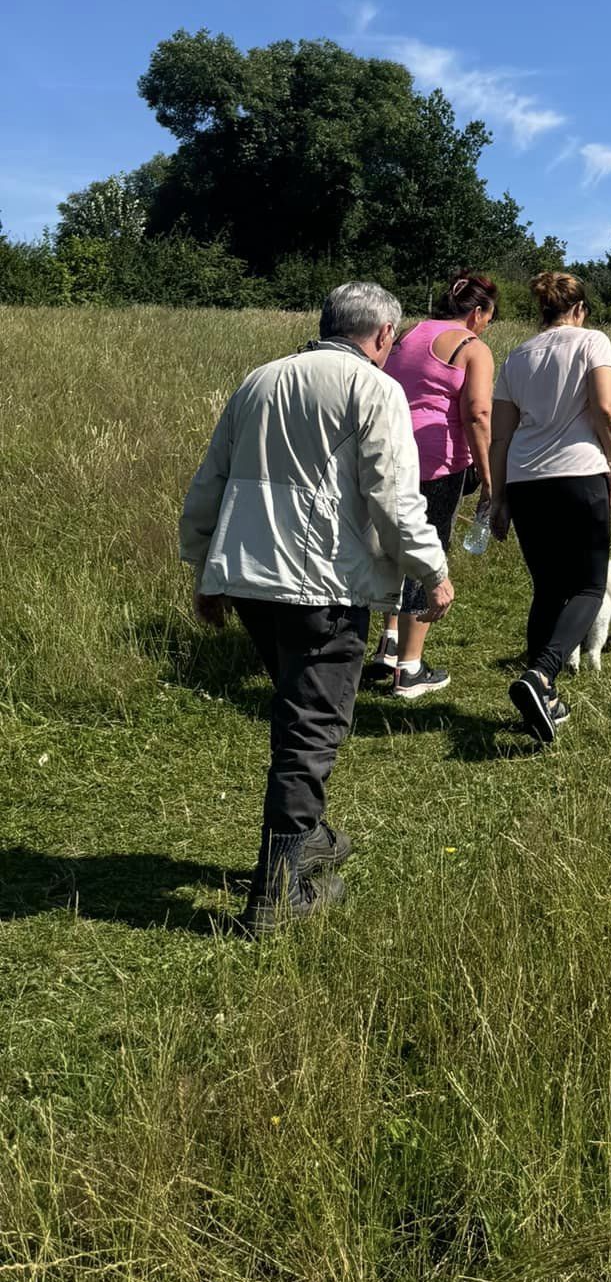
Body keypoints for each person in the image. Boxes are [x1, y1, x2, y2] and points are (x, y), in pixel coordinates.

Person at [179, 281, 454, 936]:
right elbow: (392, 496)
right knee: (310, 731)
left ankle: (310, 838)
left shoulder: (260, 380)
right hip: (321, 588)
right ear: (384, 334)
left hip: (249, 581)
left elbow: (210, 477)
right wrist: (433, 570)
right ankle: (277, 897)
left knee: (300, 716)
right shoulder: (375, 390)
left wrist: (203, 566)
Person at [488, 271, 611, 744]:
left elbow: (499, 434)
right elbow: (605, 409)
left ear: (541, 311)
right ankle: (542, 675)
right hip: (579, 474)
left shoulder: (517, 356)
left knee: (547, 587)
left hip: (525, 481)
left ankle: (540, 698)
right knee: (589, 585)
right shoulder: (593, 342)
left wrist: (498, 496)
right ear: (580, 309)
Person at [362, 271, 498, 698]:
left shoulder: (406, 335)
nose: (487, 325)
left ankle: (387, 645)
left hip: (390, 454)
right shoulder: (471, 347)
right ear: (477, 313)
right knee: (427, 552)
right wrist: (488, 476)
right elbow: (477, 414)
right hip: (438, 463)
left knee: (392, 548)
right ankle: (411, 668)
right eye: (489, 317)